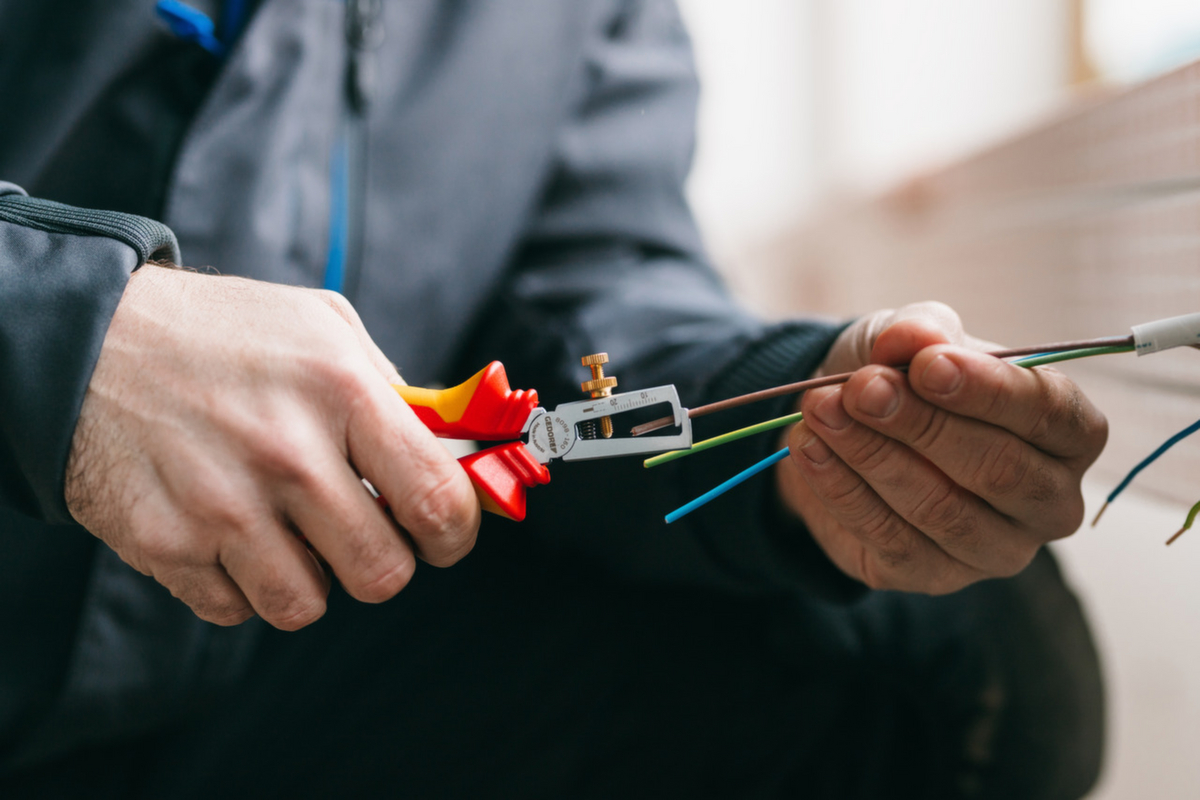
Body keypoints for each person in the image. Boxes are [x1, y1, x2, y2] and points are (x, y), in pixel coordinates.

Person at [0, 1, 1105, 797]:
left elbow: (586, 298)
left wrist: (787, 430)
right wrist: (70, 340)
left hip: (256, 683)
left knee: (952, 648)